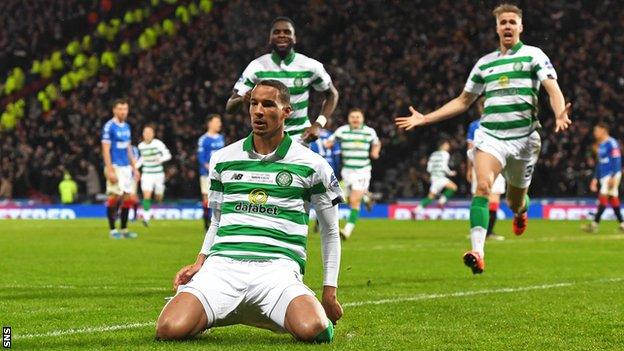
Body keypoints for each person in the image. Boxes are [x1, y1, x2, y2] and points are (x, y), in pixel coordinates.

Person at [156, 80, 343, 343]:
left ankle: (255, 310)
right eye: (254, 103)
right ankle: (227, 309)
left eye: (268, 104)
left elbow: (331, 230)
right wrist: (201, 261)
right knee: (168, 329)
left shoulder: (313, 165)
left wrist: (329, 292)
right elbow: (217, 221)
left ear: (287, 111)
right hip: (223, 268)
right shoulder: (223, 159)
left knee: (314, 329)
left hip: (277, 269)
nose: (258, 111)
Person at [395, 3, 571, 274]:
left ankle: (521, 212)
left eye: (513, 21)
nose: (508, 26)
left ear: (521, 26)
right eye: (503, 22)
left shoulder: (534, 56)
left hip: (524, 139)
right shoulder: (485, 64)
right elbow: (463, 100)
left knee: (514, 201)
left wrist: (560, 113)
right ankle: (478, 251)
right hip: (491, 136)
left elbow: (552, 88)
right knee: (482, 188)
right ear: (497, 28)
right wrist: (426, 117)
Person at [226, 16, 339, 144]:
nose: (281, 35)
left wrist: (318, 124)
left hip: (300, 139)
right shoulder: (256, 67)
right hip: (265, 140)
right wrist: (242, 99)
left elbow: (332, 94)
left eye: (287, 32)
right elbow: (230, 107)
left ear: (294, 38)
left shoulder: (311, 66)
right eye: (276, 32)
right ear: (270, 38)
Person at [326, 108, 380, 240]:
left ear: (363, 119)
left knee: (355, 200)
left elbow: (377, 143)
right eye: (352, 117)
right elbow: (330, 140)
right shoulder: (342, 130)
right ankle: (367, 197)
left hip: (362, 170)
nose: (355, 119)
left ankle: (347, 231)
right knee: (351, 200)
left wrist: (375, 152)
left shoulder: (369, 132)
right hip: (347, 172)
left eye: (358, 117)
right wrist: (328, 143)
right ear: (348, 119)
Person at [467, 98, 506, 241]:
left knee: (492, 198)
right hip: (482, 165)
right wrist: (469, 168)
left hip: (495, 164)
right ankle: (482, 232)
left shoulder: (499, 124)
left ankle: (487, 232)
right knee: (484, 197)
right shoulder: (475, 126)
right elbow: (471, 148)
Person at [101, 99, 140, 239]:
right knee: (114, 196)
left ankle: (124, 229)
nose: (123, 111)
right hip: (115, 166)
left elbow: (128, 148)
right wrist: (110, 169)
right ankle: (112, 230)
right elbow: (105, 150)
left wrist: (134, 168)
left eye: (125, 109)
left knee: (127, 197)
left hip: (126, 167)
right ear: (114, 110)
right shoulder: (109, 127)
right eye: (120, 109)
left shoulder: (127, 127)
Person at [582, 122, 624, 233]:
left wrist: (613, 176)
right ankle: (622, 224)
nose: (595, 133)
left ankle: (594, 224)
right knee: (613, 198)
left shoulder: (612, 143)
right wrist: (595, 179)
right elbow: (599, 164)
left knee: (603, 197)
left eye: (596, 130)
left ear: (604, 130)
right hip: (604, 175)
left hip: (611, 175)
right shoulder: (601, 145)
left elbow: (617, 160)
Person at [310, 122, 341, 233]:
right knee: (329, 197)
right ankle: (325, 223)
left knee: (311, 195)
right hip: (329, 167)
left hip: (314, 167)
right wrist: (337, 171)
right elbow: (337, 155)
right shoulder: (331, 136)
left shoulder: (310, 135)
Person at [138, 124, 172, 226]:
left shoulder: (158, 144)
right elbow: (142, 159)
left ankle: (159, 195)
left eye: (149, 133)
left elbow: (168, 155)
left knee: (158, 197)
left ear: (153, 134)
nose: (147, 135)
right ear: (143, 134)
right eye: (145, 133)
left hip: (158, 174)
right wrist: (135, 166)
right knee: (146, 195)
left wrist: (160, 159)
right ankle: (146, 218)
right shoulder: (141, 146)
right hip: (147, 174)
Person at [414, 140, 457, 218]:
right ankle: (441, 202)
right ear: (442, 145)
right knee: (454, 187)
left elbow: (429, 168)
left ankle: (416, 210)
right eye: (447, 145)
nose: (448, 147)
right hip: (440, 177)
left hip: (433, 178)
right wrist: (450, 173)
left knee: (430, 197)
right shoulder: (445, 154)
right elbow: (444, 166)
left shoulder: (433, 154)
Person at [197, 114, 225, 231]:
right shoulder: (203, 139)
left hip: (220, 173)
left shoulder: (221, 138)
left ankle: (217, 221)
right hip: (206, 173)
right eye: (217, 122)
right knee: (206, 198)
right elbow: (201, 157)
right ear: (210, 123)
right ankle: (206, 222)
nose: (219, 124)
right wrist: (208, 166)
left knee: (219, 197)